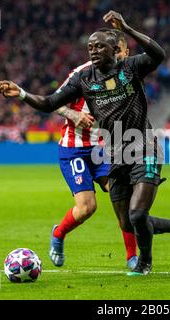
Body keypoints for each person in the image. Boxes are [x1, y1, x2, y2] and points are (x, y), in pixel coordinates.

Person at [0, 11, 170, 276]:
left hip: (144, 147)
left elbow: (159, 55)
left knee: (138, 215)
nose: (93, 50)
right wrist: (22, 93)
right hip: (115, 153)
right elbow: (50, 103)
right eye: (90, 46)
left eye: (99, 46)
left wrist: (127, 27)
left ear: (115, 49)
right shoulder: (83, 78)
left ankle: (143, 262)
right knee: (129, 221)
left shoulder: (130, 68)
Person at [48, 29, 139, 270]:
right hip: (75, 148)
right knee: (87, 208)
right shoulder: (82, 74)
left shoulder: (126, 74)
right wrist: (73, 113)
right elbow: (52, 102)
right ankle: (59, 233)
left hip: (103, 149)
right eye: (115, 51)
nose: (119, 56)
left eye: (122, 52)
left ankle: (132, 256)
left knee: (123, 199)